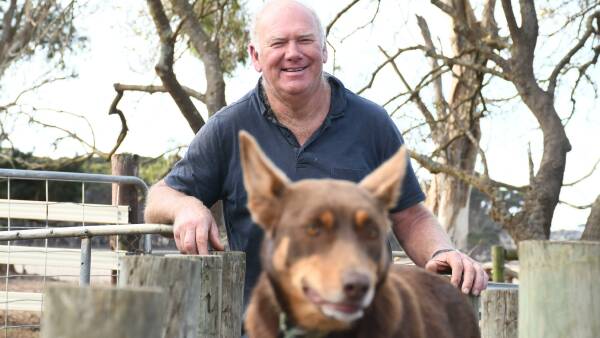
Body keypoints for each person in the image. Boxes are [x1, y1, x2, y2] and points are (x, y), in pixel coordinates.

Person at [144, 0, 488, 307]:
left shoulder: (371, 123)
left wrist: (443, 252)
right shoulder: (228, 128)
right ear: (255, 56)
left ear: (324, 50)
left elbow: (410, 216)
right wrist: (187, 206)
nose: (293, 52)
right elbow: (158, 197)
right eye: (278, 43)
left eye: (305, 40)